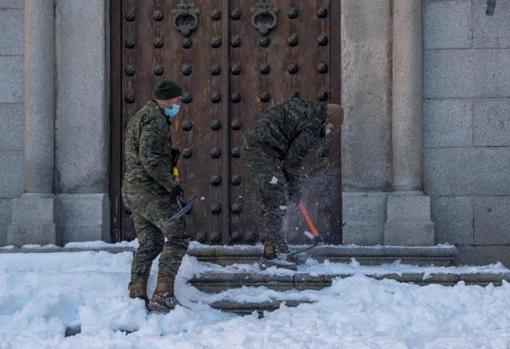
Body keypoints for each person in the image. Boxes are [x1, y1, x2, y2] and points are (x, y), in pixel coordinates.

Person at [242, 98, 343, 270]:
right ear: (328, 120)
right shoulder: (312, 125)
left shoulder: (309, 113)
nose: (330, 131)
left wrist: (291, 187)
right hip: (261, 149)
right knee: (277, 198)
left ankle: (280, 250)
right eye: (332, 127)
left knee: (279, 196)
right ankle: (271, 255)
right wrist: (295, 190)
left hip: (265, 148)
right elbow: (291, 162)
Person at [122, 80, 189, 313]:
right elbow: (149, 158)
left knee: (150, 242)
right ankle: (163, 294)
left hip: (133, 189)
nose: (179, 104)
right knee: (178, 236)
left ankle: (137, 293)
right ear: (167, 99)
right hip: (148, 190)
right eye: (178, 100)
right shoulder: (155, 120)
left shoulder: (140, 116)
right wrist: (172, 185)